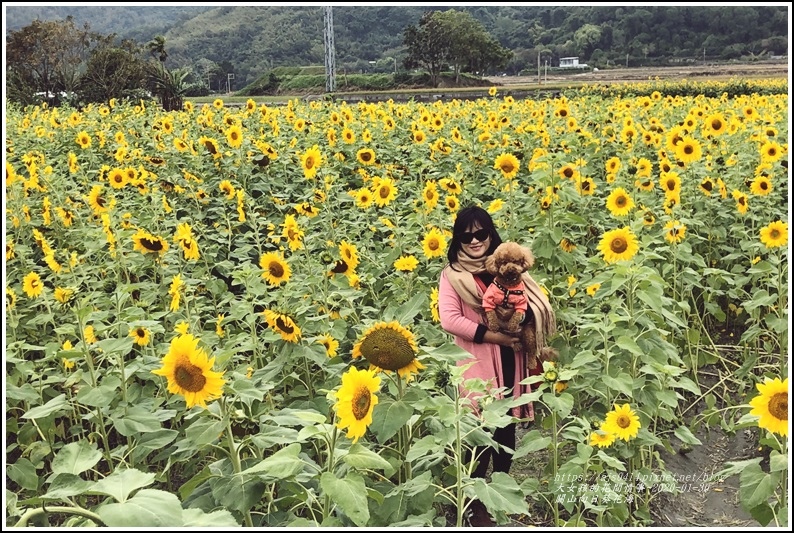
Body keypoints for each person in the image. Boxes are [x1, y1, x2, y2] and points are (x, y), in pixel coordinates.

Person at [437, 205, 556, 527]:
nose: (474, 241)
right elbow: (449, 319)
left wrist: (524, 321)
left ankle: (499, 490)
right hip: (477, 361)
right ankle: (472, 501)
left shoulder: (508, 265)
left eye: (481, 233)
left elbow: (535, 303)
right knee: (479, 431)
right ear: (457, 239)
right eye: (466, 235)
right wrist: (495, 336)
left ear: (491, 234)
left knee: (505, 429)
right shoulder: (453, 275)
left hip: (513, 357)